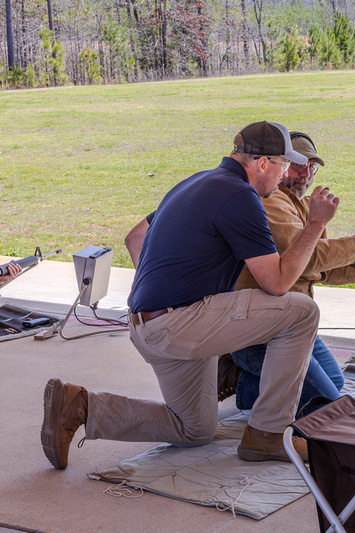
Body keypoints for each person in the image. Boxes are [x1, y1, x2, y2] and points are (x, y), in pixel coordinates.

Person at [40, 120, 339, 470]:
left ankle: (81, 406)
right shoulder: (241, 195)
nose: (286, 172)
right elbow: (277, 283)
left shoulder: (196, 180)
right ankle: (268, 434)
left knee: (194, 428)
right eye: (283, 164)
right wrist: (316, 224)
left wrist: (165, 293)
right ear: (262, 164)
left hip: (146, 324)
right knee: (301, 311)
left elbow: (135, 238)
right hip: (179, 324)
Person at [226, 131, 355, 413]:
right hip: (264, 330)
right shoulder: (271, 201)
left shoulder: (299, 203)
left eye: (312, 166)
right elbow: (311, 261)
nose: (306, 173)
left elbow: (318, 270)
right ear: (281, 165)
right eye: (299, 165)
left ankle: (248, 383)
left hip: (289, 323)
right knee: (324, 405)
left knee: (333, 382)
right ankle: (238, 376)